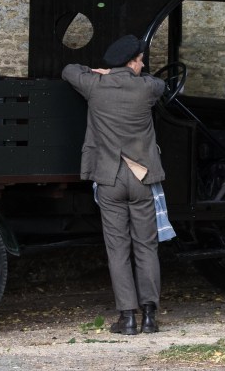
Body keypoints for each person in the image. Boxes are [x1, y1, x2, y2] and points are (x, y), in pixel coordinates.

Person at [62, 34, 167, 335]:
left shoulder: (94, 86)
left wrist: (105, 72)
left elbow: (69, 69)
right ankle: (149, 316)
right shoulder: (147, 88)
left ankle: (127, 318)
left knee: (117, 248)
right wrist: (125, 73)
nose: (144, 64)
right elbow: (162, 85)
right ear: (132, 62)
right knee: (146, 246)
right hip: (141, 177)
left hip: (109, 177)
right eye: (141, 60)